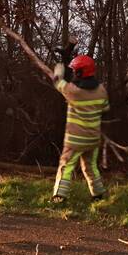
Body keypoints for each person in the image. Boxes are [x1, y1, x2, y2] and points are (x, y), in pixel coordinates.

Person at [51, 50, 109, 204]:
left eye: (75, 71)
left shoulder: (73, 91)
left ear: (79, 72)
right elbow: (105, 109)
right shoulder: (101, 90)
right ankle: (98, 195)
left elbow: (57, 81)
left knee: (66, 166)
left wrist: (59, 67)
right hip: (93, 139)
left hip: (75, 140)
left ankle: (59, 197)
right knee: (91, 166)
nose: (73, 73)